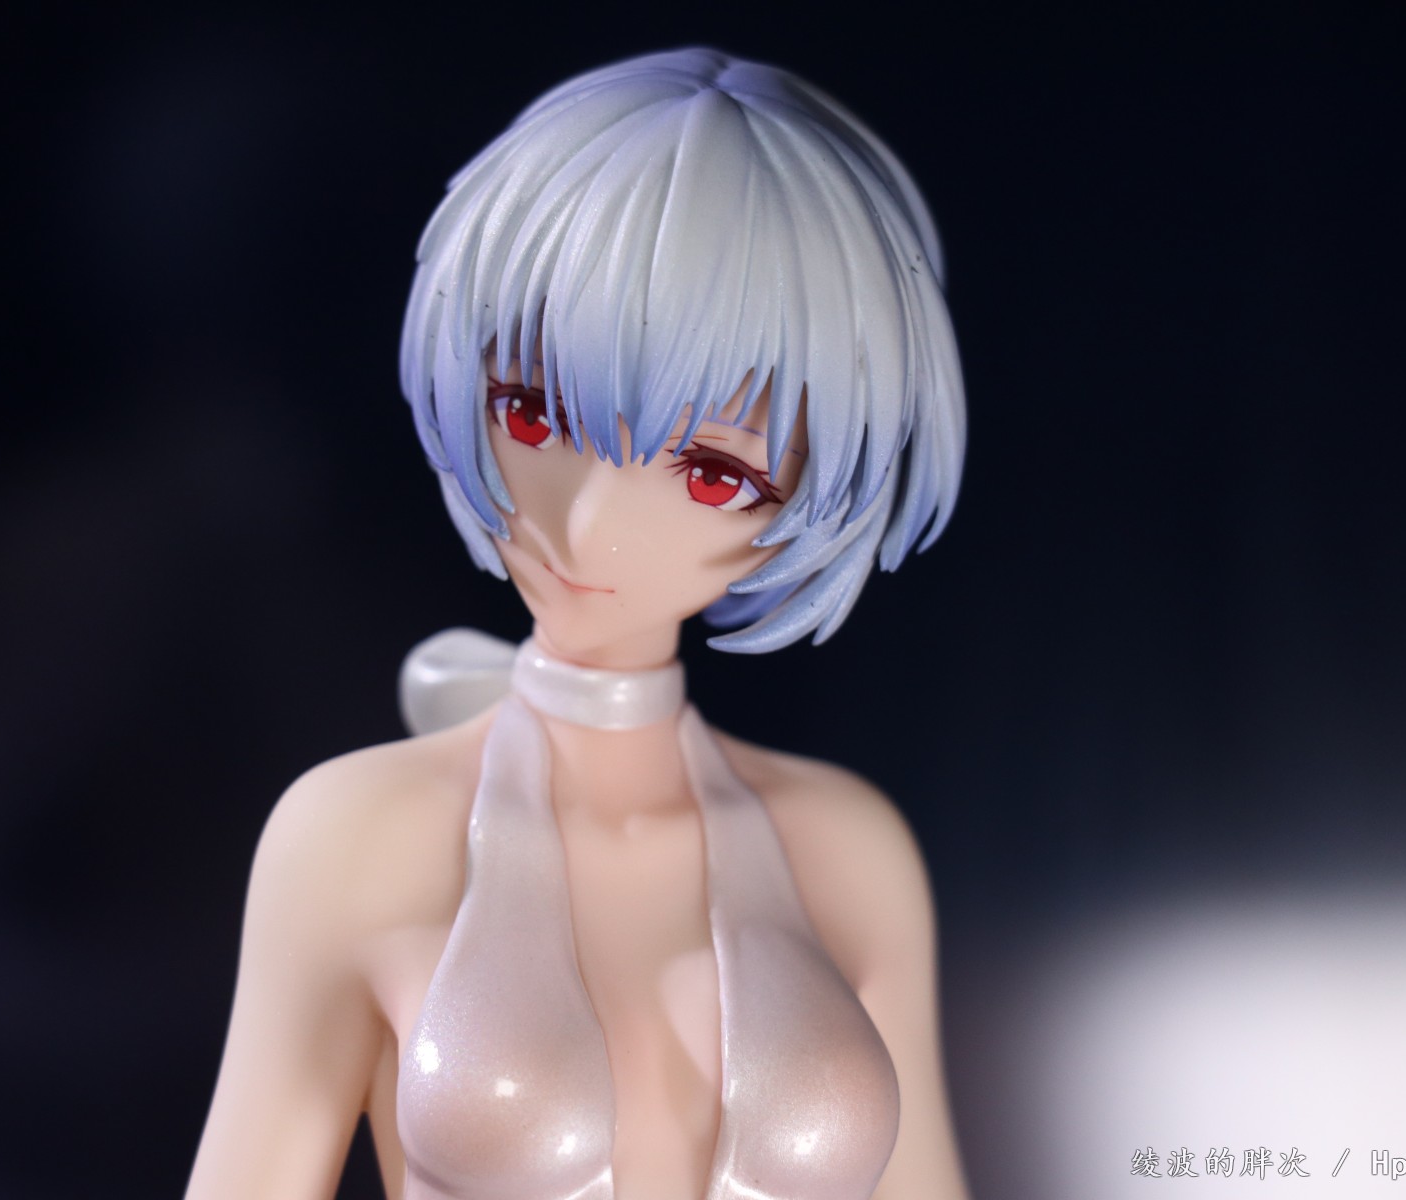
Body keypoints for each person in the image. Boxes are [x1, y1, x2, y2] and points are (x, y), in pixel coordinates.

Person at [187, 48, 970, 1199]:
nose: (590, 524)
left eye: (715, 475)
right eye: (532, 412)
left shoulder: (849, 850)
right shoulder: (350, 838)